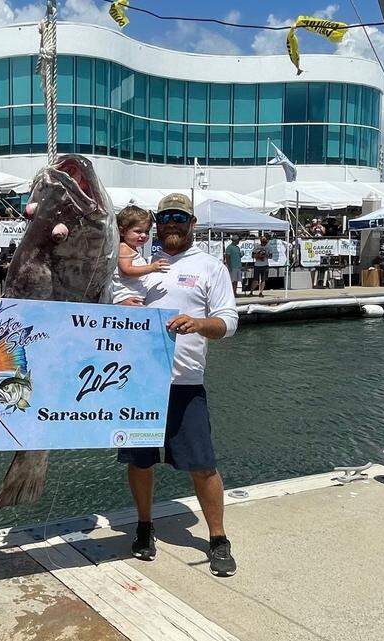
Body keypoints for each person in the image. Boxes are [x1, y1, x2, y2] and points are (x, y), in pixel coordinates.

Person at [120, 193, 240, 576]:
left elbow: (228, 321)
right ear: (156, 222)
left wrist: (199, 323)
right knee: (140, 463)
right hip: (136, 383)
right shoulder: (132, 261)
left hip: (186, 383)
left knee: (203, 465)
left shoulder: (209, 266)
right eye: (165, 216)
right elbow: (105, 298)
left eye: (180, 217)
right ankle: (144, 525)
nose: (172, 222)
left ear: (192, 224)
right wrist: (119, 304)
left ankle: (218, 537)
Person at [111, 205, 167, 305]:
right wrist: (151, 267)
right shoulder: (124, 248)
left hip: (134, 297)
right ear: (123, 231)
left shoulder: (133, 249)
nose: (144, 235)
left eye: (146, 232)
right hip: (126, 297)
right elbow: (127, 270)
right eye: (138, 231)